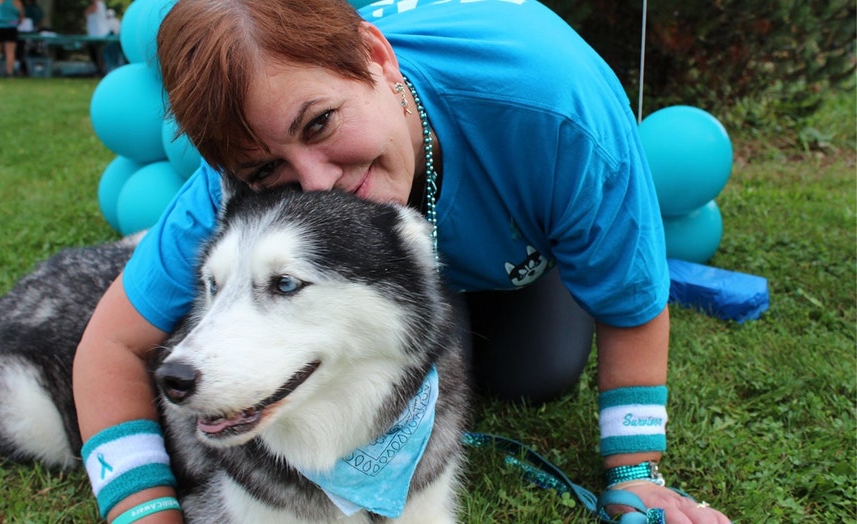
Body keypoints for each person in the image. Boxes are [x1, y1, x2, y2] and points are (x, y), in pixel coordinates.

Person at [73, 1, 732, 523]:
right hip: (375, 275)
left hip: (512, 241)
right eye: (268, 169)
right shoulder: (233, 188)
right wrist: (142, 510)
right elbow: (109, 347)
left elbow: (633, 300)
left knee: (536, 372)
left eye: (321, 123)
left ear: (376, 56)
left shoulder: (552, 108)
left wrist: (634, 474)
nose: (316, 181)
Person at [0, 0, 23, 78]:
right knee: (10, 51)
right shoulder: (17, 2)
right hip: (11, 27)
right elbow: (21, 17)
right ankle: (9, 73)